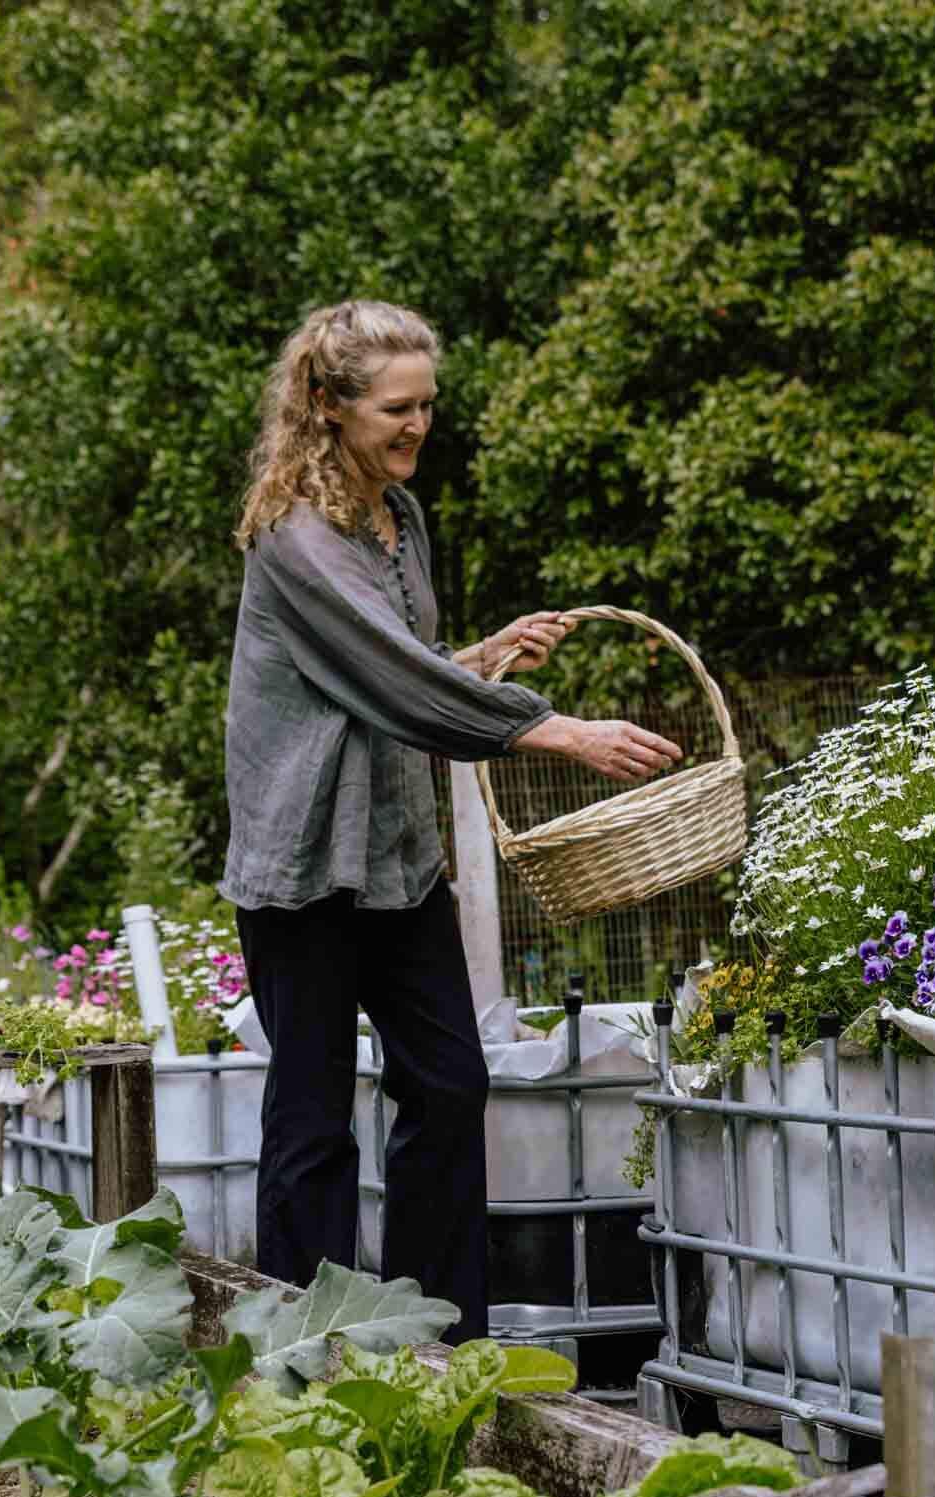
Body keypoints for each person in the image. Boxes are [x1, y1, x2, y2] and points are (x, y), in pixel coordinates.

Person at [220, 299, 682, 1339]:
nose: (418, 425)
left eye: (427, 405)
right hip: (304, 863)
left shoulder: (400, 518)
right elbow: (386, 673)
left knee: (448, 1082)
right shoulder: (295, 536)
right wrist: (558, 731)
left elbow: (395, 676)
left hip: (395, 855)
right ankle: (305, 1349)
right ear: (327, 405)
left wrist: (481, 657)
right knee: (312, 1113)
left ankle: (434, 1339)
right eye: (396, 407)